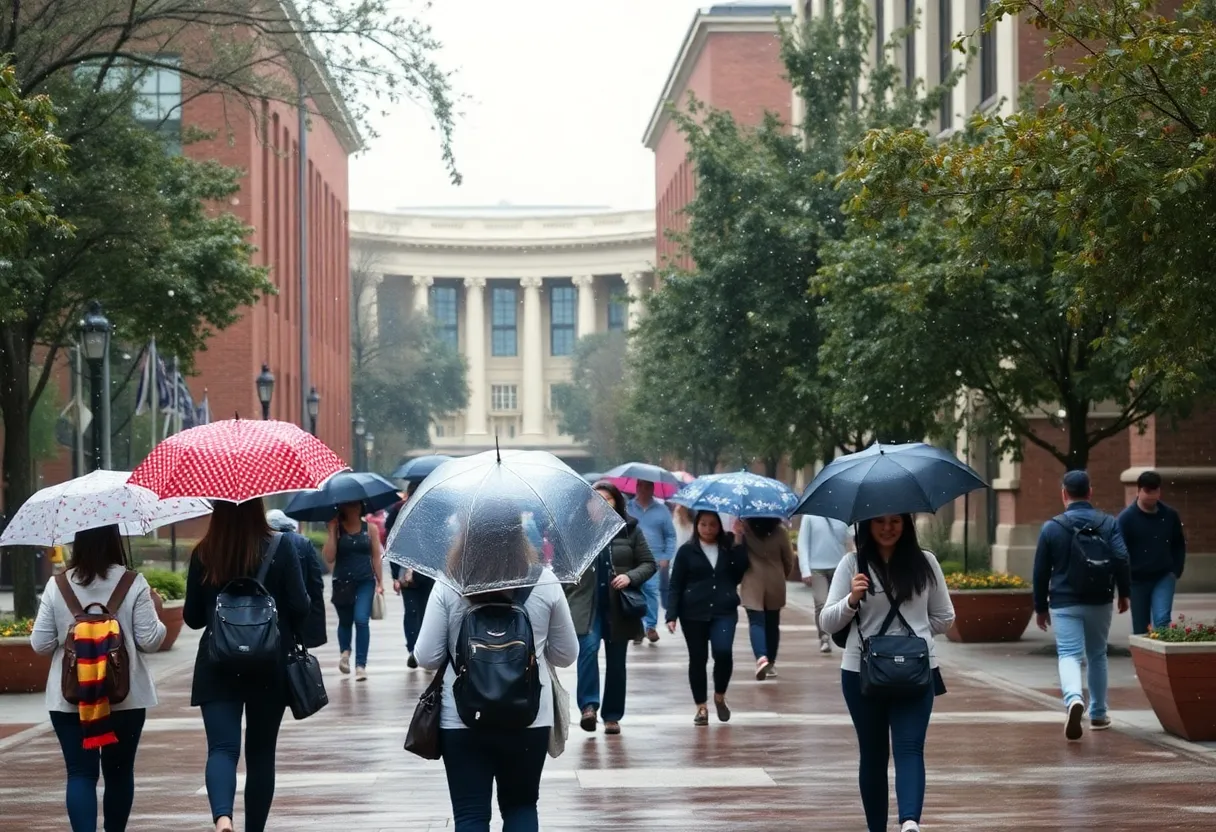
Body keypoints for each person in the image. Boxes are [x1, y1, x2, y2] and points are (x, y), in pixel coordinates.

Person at [413, 502, 578, 831]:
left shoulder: (450, 581)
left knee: (470, 814)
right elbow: (566, 654)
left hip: (462, 716)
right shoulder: (544, 580)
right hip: (529, 715)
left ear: (467, 534)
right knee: (521, 807)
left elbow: (427, 656)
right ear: (518, 533)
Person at [819, 514, 954, 832]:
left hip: (915, 674)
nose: (888, 527)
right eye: (879, 521)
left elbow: (945, 616)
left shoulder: (926, 563)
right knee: (874, 753)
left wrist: (906, 638)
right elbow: (827, 621)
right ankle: (884, 825)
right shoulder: (852, 564)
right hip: (862, 676)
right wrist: (852, 600)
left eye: (895, 521)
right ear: (867, 525)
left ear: (906, 524)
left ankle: (909, 822)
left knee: (909, 748)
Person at [184, 499, 311, 832]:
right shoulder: (281, 547)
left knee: (222, 748)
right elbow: (300, 605)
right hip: (268, 665)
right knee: (260, 755)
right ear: (257, 505)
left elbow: (193, 618)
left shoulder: (204, 552)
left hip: (218, 662)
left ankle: (223, 817)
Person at [31, 525, 166, 832]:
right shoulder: (133, 582)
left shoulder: (58, 584)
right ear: (114, 539)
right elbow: (151, 640)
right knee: (119, 773)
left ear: (78, 541)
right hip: (126, 696)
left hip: (71, 698)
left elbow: (39, 644)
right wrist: (155, 609)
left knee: (80, 773)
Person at [1033, 470, 1131, 739]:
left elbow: (1040, 571)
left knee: (1068, 654)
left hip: (1064, 601)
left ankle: (1074, 699)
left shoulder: (1052, 527)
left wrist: (1040, 606)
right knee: (1097, 654)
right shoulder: (1108, 523)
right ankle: (1098, 714)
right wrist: (1124, 591)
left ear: (1064, 494)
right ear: (1090, 492)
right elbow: (1122, 557)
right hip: (1099, 598)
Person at [566, 481, 656, 735]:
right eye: (596, 499)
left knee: (617, 663)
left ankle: (612, 716)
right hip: (587, 604)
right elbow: (565, 569)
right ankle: (588, 707)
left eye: (609, 499)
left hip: (619, 606)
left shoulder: (630, 530)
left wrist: (630, 577)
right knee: (588, 650)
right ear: (588, 504)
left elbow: (648, 563)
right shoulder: (577, 532)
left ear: (617, 503)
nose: (602, 504)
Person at [665, 510, 749, 725]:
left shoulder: (729, 545)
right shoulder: (686, 551)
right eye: (703, 524)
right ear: (697, 526)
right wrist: (671, 614)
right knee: (698, 658)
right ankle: (701, 707)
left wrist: (739, 538)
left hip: (724, 609)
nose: (708, 529)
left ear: (720, 526)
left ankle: (720, 695)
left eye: (713, 524)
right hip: (693, 612)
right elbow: (675, 584)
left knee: (723, 652)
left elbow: (740, 571)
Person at [322, 500, 385, 680]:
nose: (354, 508)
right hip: (342, 582)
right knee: (345, 621)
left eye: (357, 504)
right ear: (342, 507)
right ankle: (344, 653)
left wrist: (380, 582)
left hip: (365, 581)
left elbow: (376, 556)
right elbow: (329, 557)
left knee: (361, 620)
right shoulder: (337, 528)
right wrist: (332, 531)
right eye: (350, 505)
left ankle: (360, 665)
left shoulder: (370, 528)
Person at [1117, 470, 1186, 634]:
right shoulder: (1126, 519)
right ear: (1139, 491)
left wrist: (1175, 570)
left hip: (1163, 575)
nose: (1152, 495)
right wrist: (1123, 585)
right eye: (1147, 491)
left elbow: (1178, 543)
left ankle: (1162, 657)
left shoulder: (1170, 515)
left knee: (1162, 620)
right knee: (1141, 626)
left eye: (1155, 491)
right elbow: (1119, 553)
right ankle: (1143, 659)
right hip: (1137, 580)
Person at [738, 517, 796, 679]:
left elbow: (736, 556)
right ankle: (770, 663)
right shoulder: (780, 532)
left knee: (756, 622)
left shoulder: (745, 531)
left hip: (751, 582)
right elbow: (788, 560)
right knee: (772, 623)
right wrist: (782, 574)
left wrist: (737, 535)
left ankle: (761, 657)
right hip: (775, 581)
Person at [387, 484, 435, 668]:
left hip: (428, 573)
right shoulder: (399, 513)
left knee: (424, 613)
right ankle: (413, 650)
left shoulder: (432, 515)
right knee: (412, 611)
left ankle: (422, 650)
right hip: (406, 573)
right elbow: (392, 543)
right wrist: (394, 575)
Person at [626, 479, 677, 645]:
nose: (643, 489)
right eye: (640, 485)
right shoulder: (628, 507)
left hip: (654, 559)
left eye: (648, 486)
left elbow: (670, 535)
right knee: (633, 592)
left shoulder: (662, 510)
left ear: (653, 488)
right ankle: (637, 628)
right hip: (631, 558)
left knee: (651, 591)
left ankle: (650, 626)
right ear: (636, 486)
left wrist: (666, 556)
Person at [798, 513, 852, 653]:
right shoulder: (809, 516)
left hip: (839, 566)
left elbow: (848, 540)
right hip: (817, 568)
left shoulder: (841, 516)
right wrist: (805, 570)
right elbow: (803, 543)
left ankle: (841, 636)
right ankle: (824, 637)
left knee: (841, 603)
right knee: (821, 603)